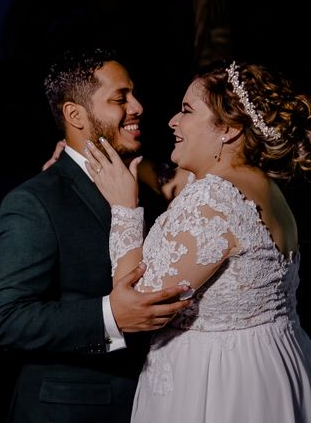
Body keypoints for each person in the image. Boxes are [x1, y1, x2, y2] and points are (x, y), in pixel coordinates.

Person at [84, 59, 311, 422]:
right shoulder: (260, 184)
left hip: (216, 382)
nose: (173, 121)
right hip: (272, 362)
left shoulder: (213, 200)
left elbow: (138, 303)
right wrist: (124, 158)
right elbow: (172, 183)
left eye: (187, 110)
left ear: (229, 129)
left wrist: (124, 208)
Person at [0, 47, 192, 423]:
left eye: (134, 93)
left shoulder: (148, 183)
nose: (138, 106)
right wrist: (111, 315)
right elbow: (6, 318)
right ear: (74, 114)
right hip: (74, 408)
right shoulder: (35, 200)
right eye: (120, 98)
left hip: (163, 399)